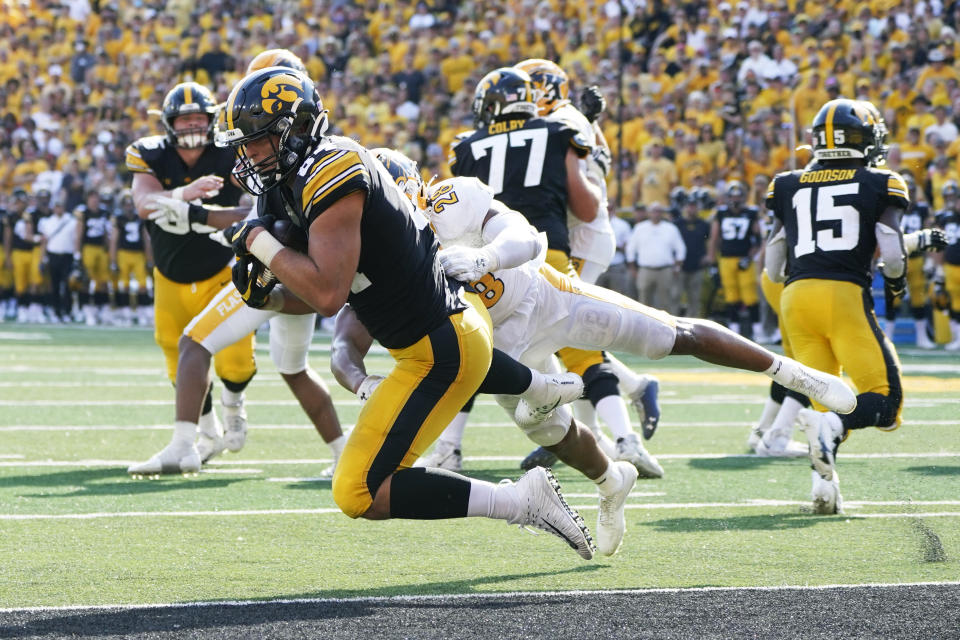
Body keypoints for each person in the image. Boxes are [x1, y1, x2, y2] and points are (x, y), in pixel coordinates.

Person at [217, 66, 599, 560]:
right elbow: (331, 291)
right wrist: (267, 293)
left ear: (294, 129)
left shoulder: (333, 171)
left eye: (258, 141)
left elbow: (330, 293)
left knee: (358, 489)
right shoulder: (295, 178)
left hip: (444, 346)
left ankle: (522, 497)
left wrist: (259, 243)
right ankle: (530, 442)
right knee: (356, 488)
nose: (248, 154)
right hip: (438, 338)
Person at [127, 51, 348, 477]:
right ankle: (345, 453)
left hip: (284, 270)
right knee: (293, 368)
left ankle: (183, 445)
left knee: (195, 343)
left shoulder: (294, 157)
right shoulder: (321, 150)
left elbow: (264, 221)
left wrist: (199, 216)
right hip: (308, 270)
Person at [452, 67, 661, 477]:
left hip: (492, 265)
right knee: (581, 344)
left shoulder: (469, 146)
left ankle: (448, 449)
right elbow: (587, 208)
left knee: (471, 345)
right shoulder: (556, 131)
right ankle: (622, 438)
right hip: (549, 253)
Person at [765, 98, 914, 514]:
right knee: (884, 402)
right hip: (842, 295)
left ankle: (823, 489)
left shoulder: (788, 182)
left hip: (795, 298)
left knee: (823, 400)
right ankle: (833, 429)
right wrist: (898, 280)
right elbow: (890, 247)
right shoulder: (880, 181)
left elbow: (773, 264)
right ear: (865, 138)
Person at [512, 59, 662, 468]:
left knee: (570, 330)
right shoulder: (569, 119)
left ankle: (609, 427)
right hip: (579, 230)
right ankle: (605, 416)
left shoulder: (562, 120)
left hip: (579, 232)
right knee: (566, 331)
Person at [124, 81, 254, 474]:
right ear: (168, 123)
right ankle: (206, 429)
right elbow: (144, 204)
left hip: (220, 270)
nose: (193, 124)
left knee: (234, 360)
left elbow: (256, 201)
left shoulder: (228, 153)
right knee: (175, 355)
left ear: (212, 119)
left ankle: (234, 403)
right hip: (169, 272)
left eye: (199, 117)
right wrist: (186, 193)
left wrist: (213, 212)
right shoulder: (150, 154)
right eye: (185, 119)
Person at [707, 180, 764, 338]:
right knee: (731, 296)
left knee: (750, 296)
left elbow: (758, 239)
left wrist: (749, 257)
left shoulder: (751, 212)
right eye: (733, 196)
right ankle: (735, 333)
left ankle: (757, 333)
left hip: (744, 259)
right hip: (726, 259)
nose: (736, 199)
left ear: (744, 197)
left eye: (738, 196)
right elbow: (714, 239)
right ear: (727, 197)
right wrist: (713, 263)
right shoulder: (721, 213)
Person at [626, 201, 685, 315]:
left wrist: (677, 266)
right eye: (654, 211)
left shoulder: (670, 228)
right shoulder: (640, 228)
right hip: (645, 269)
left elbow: (681, 248)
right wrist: (632, 268)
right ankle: (643, 328)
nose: (656, 214)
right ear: (649, 213)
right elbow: (630, 249)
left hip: (665, 270)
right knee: (643, 302)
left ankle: (668, 328)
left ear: (662, 213)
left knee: (666, 302)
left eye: (659, 211)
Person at [37, 197, 78, 323]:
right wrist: (42, 258)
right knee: (54, 285)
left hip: (67, 256)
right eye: (56, 206)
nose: (58, 208)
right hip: (53, 255)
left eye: (60, 206)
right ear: (53, 208)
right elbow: (44, 241)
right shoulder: (47, 222)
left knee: (67, 285)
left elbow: (76, 239)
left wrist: (77, 256)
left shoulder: (71, 221)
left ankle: (67, 311)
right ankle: (55, 311)